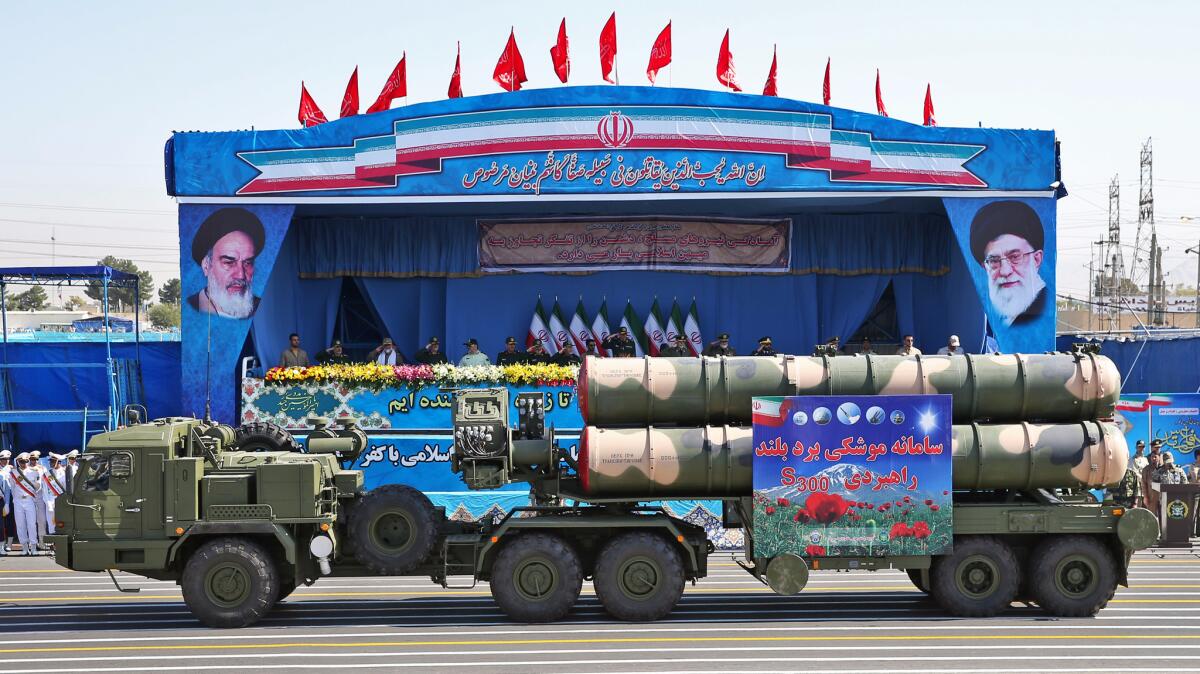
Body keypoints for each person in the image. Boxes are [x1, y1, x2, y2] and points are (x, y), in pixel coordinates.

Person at [969, 201, 1049, 326]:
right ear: (985, 267)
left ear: (1036, 259)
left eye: (1015, 257)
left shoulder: (1042, 311)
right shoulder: (1003, 318)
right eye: (994, 261)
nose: (1005, 271)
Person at [186, 207, 265, 319]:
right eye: (229, 262)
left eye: (247, 263)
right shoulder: (189, 308)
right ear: (206, 265)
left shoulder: (262, 309)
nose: (240, 275)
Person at [10, 453, 42, 555]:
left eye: (25, 461)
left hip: (29, 500)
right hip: (18, 501)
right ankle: (24, 548)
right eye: (21, 462)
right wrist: (15, 500)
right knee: (20, 524)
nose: (23, 463)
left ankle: (33, 547)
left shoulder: (34, 472)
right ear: (18, 462)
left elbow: (38, 487)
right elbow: (12, 488)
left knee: (31, 524)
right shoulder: (14, 473)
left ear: (28, 461)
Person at [42, 454, 66, 537]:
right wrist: (47, 502)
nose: (51, 463)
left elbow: (66, 490)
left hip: (61, 501)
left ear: (58, 462)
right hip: (50, 501)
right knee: (51, 523)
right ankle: (53, 543)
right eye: (50, 461)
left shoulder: (64, 473)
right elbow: (44, 490)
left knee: (61, 522)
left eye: (53, 461)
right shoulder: (46, 474)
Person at [1140, 451, 1163, 515]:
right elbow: (1144, 484)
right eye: (1152, 457)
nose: (1154, 459)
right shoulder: (1146, 469)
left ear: (1159, 457)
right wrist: (1145, 497)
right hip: (1151, 497)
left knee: (1163, 517)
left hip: (1163, 497)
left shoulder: (1164, 468)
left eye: (1155, 457)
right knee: (1152, 516)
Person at [0, 450, 11, 552]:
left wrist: (7, 503)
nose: (5, 461)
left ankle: (5, 545)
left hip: (3, 500)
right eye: (3, 459)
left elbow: (7, 490)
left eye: (6, 459)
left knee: (5, 523)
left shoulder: (10, 470)